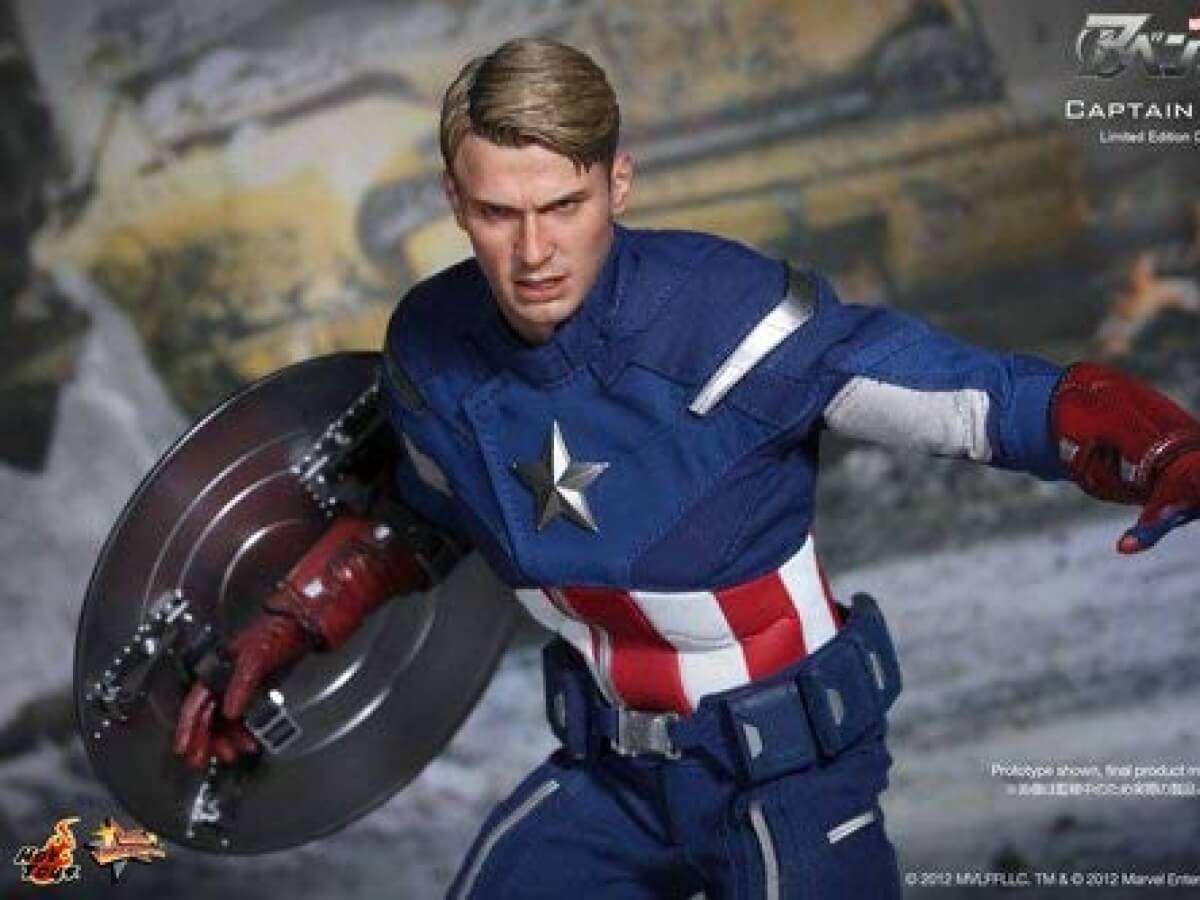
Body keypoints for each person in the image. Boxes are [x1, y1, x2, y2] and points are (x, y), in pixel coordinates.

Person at [172, 38, 1200, 898]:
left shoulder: (725, 314)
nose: (534, 252)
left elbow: (970, 397)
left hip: (789, 780)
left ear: (617, 183)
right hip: (609, 780)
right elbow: (424, 519)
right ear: (454, 200)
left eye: (564, 205)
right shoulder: (433, 352)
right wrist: (285, 630)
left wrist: (1154, 442)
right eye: (497, 214)